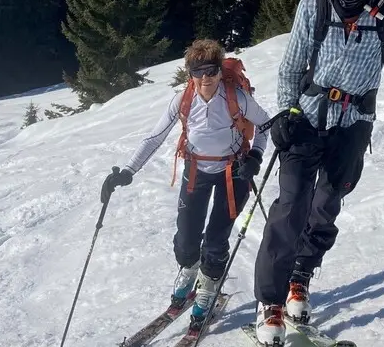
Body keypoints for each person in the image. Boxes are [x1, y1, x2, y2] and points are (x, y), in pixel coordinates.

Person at [250, 0, 384, 345]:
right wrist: (286, 111)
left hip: (354, 125)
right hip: (308, 119)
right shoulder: (313, 5)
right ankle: (270, 301)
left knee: (326, 207)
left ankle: (300, 277)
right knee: (290, 207)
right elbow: (291, 65)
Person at [100, 39, 273, 332]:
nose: (206, 77)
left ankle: (208, 284)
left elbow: (266, 123)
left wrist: (255, 155)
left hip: (234, 172)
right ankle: (190, 268)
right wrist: (127, 171)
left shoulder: (237, 97)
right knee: (185, 238)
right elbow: (154, 138)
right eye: (198, 70)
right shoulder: (182, 101)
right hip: (196, 170)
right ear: (189, 73)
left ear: (220, 71)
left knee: (217, 239)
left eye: (212, 70)